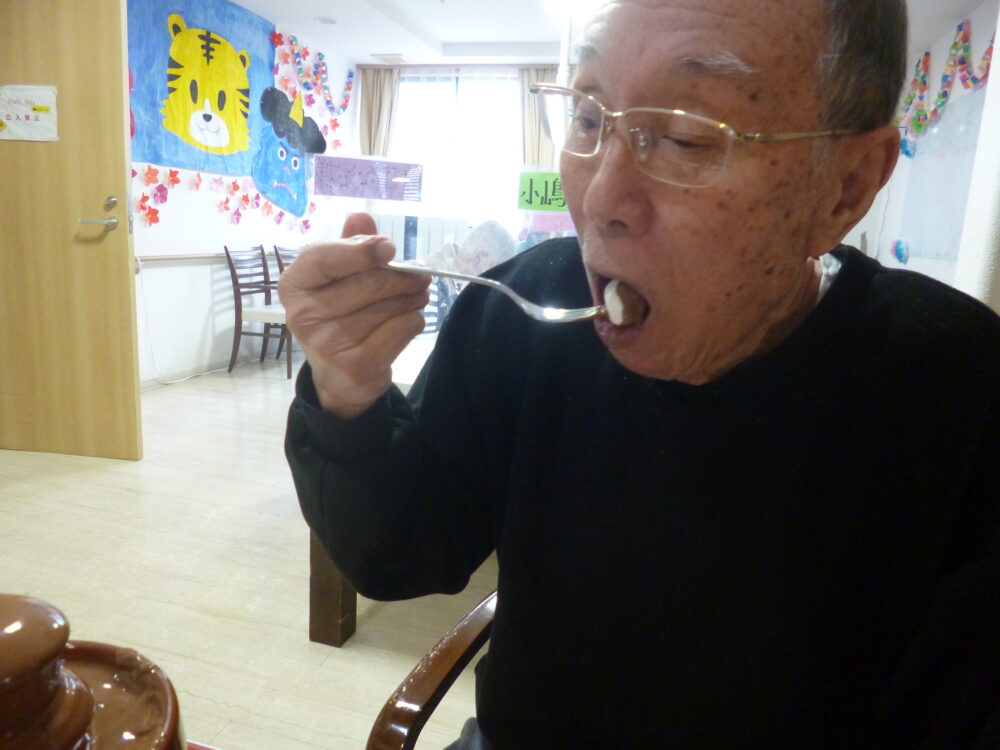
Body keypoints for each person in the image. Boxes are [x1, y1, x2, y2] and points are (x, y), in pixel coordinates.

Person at [279, 0, 1000, 746]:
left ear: (845, 187)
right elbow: (400, 553)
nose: (598, 199)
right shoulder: (525, 311)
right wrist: (349, 392)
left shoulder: (955, 387)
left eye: (688, 137)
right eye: (588, 118)